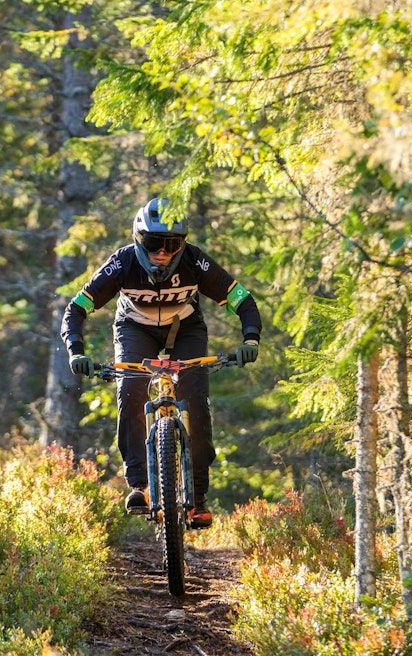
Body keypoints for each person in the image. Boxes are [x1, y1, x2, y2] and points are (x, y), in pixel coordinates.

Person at [60, 198, 262, 528]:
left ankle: (197, 500)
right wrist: (76, 351)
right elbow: (76, 309)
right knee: (131, 391)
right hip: (134, 328)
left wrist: (250, 339)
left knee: (196, 404)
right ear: (139, 240)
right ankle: (140, 485)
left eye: (172, 244)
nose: (163, 253)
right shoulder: (122, 263)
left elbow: (242, 300)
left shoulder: (196, 262)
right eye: (154, 243)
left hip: (185, 329)